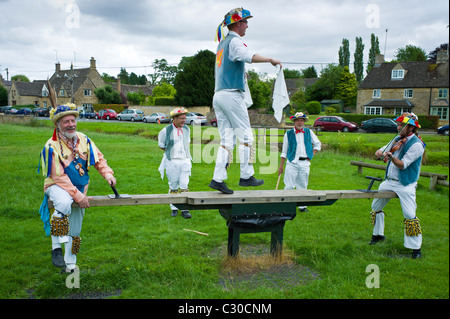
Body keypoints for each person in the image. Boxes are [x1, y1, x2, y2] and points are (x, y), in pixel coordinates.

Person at [209, 7, 282, 194]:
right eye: (246, 22)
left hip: (219, 95)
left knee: (226, 139)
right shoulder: (234, 42)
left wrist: (242, 77)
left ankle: (218, 178)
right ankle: (246, 176)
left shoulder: (221, 44)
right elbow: (248, 56)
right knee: (246, 136)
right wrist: (270, 59)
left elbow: (229, 66)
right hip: (232, 95)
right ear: (238, 24)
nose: (247, 25)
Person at [38, 103, 116, 272]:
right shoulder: (51, 145)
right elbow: (58, 176)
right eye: (66, 121)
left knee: (75, 230)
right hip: (56, 186)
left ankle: (70, 266)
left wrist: (108, 174)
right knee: (65, 202)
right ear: (57, 125)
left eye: (73, 120)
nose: (71, 124)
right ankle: (56, 248)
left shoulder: (84, 139)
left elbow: (99, 159)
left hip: (80, 188)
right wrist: (77, 196)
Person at [369, 112, 425, 259]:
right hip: (389, 182)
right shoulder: (397, 139)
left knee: (409, 215)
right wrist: (380, 152)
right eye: (398, 125)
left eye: (401, 125)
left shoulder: (417, 145)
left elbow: (403, 165)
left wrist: (391, 156)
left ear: (411, 128)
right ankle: (378, 235)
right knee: (376, 207)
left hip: (405, 184)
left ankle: (415, 248)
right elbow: (381, 150)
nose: (398, 127)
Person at [278, 112, 321, 212]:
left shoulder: (309, 132)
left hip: (305, 163)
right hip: (292, 162)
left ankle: (302, 207)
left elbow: (318, 144)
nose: (300, 122)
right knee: (289, 185)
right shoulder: (288, 134)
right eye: (298, 120)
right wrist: (281, 166)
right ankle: (286, 206)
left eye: (301, 120)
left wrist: (311, 155)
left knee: (303, 184)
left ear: (304, 122)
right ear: (294, 122)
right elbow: (284, 151)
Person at [158, 107, 192, 219]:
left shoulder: (187, 129)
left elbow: (187, 142)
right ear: (175, 118)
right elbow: (162, 145)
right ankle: (173, 207)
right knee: (173, 185)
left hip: (186, 160)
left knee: (184, 185)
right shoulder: (165, 131)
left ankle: (185, 209)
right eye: (182, 118)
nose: (184, 120)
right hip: (172, 161)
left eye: (185, 118)